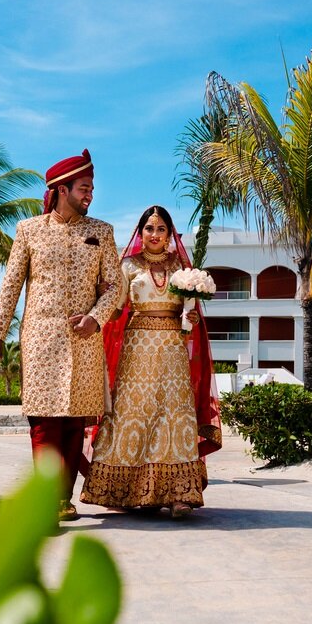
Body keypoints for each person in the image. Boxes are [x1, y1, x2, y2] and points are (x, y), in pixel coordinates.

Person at [0, 148, 121, 521]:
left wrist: (96, 319)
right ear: (61, 189)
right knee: (43, 421)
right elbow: (11, 284)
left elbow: (115, 287)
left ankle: (63, 499)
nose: (89, 194)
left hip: (83, 340)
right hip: (41, 338)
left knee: (75, 421)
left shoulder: (102, 232)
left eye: (91, 188)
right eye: (83, 187)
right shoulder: (29, 231)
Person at [80, 205, 222, 519]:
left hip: (172, 349)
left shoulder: (182, 267)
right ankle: (123, 491)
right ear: (141, 232)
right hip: (137, 349)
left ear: (170, 234)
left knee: (173, 416)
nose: (154, 235)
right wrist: (97, 300)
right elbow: (116, 311)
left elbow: (190, 317)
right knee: (133, 414)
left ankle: (178, 495)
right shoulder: (128, 266)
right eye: (149, 228)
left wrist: (192, 318)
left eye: (160, 229)